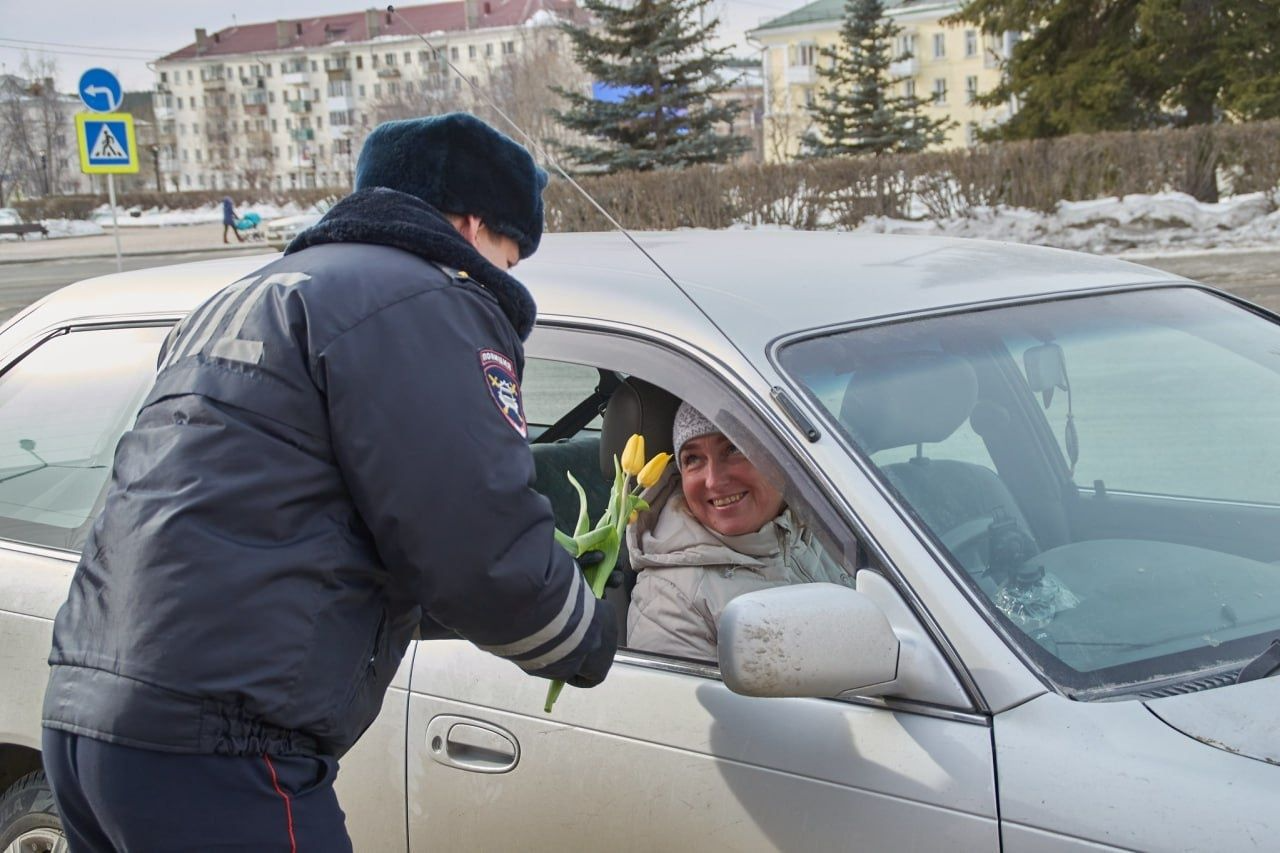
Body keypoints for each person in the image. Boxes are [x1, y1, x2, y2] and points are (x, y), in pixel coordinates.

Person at [41, 113, 617, 851]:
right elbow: (476, 540)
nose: (507, 275)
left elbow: (289, 521)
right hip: (221, 745)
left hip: (88, 717)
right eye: (512, 252)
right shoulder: (429, 298)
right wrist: (586, 632)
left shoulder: (257, 292)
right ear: (475, 224)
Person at [627, 403, 855, 661]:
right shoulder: (668, 599)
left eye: (734, 448)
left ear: (780, 458)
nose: (713, 480)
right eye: (693, 459)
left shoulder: (830, 525)